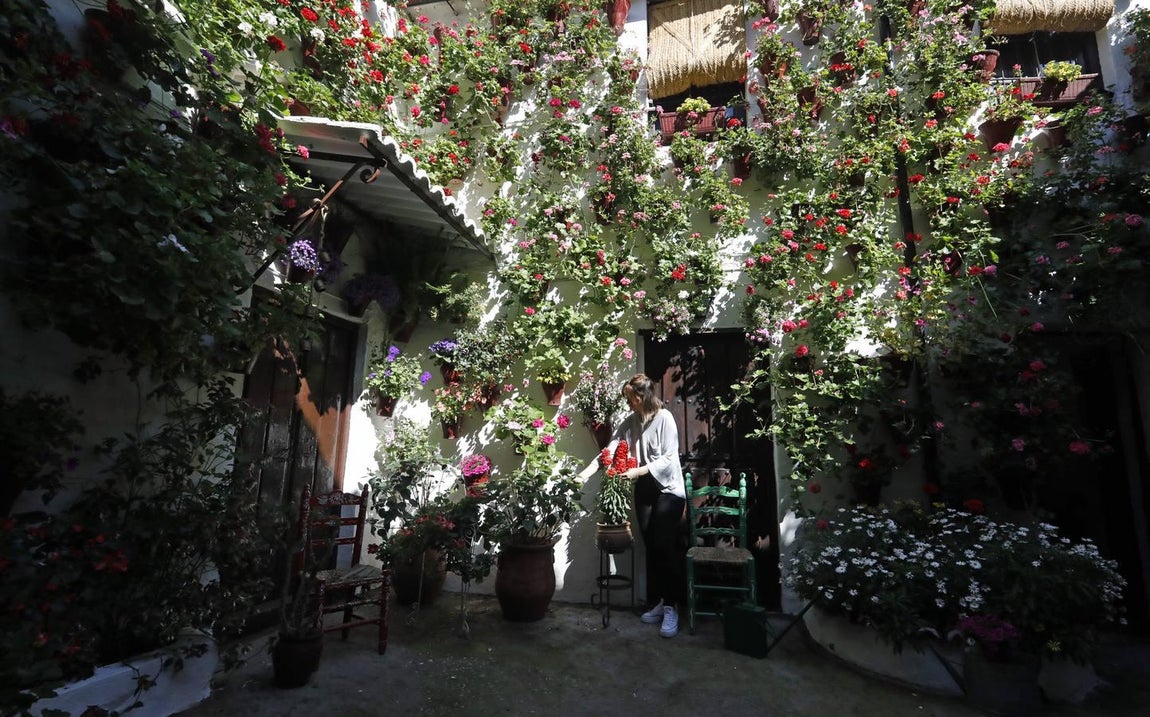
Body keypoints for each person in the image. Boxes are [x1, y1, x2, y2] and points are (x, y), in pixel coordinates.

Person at [578, 373, 686, 637]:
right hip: (646, 489)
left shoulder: (665, 419)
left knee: (664, 545)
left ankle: (672, 607)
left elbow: (669, 458)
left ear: (641, 396)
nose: (627, 402)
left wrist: (637, 471)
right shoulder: (631, 421)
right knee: (652, 546)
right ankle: (661, 602)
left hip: (669, 491)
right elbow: (611, 448)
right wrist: (585, 473)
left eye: (629, 398)